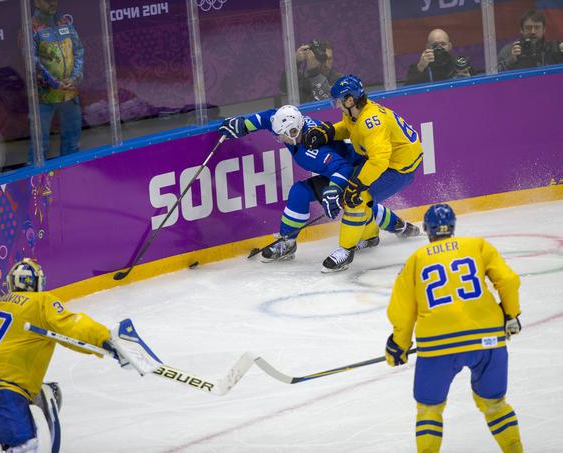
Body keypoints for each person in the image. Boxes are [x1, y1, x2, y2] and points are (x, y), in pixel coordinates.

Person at [0, 258, 161, 452]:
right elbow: (72, 326)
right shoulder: (41, 302)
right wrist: (106, 339)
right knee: (28, 447)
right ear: (38, 282)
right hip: (4, 389)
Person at [385, 204, 523, 453]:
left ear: (427, 229)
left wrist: (399, 344)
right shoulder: (477, 246)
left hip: (438, 345)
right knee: (494, 404)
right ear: (453, 226)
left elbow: (402, 310)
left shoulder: (416, 260)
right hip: (487, 338)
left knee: (429, 409)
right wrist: (511, 315)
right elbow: (509, 281)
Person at [218, 105, 415, 264]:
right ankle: (288, 242)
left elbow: (344, 169)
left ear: (294, 132)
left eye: (281, 136)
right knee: (300, 192)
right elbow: (270, 117)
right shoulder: (291, 125)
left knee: (354, 201)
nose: (278, 139)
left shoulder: (311, 151)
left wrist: (333, 191)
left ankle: (392, 228)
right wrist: (244, 125)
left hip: (353, 169)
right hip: (340, 167)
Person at [303, 74, 422, 272]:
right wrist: (329, 133)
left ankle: (345, 251)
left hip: (399, 169)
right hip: (385, 162)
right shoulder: (356, 112)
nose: (336, 106)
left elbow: (378, 160)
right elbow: (351, 128)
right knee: (359, 196)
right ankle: (374, 235)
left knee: (356, 198)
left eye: (338, 101)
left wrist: (357, 185)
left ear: (350, 100)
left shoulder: (371, 122)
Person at [32, 0, 85, 156]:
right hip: (45, 98)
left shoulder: (64, 22)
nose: (52, 3)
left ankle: (72, 177)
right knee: (39, 149)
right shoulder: (31, 28)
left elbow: (79, 50)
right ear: (36, 2)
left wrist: (74, 78)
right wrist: (54, 83)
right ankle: (37, 180)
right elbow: (32, 61)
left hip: (70, 95)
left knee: (73, 144)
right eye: (47, 1)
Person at [497, 10, 563, 72]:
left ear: (544, 29)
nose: (533, 32)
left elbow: (559, 81)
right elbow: (494, 78)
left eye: (537, 27)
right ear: (521, 30)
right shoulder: (509, 50)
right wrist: (511, 60)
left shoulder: (552, 50)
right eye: (528, 28)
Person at [406, 29, 475, 86]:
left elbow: (477, 88)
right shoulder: (419, 67)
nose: (439, 48)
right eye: (435, 45)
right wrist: (420, 67)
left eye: (443, 44)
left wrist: (468, 81)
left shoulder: (459, 64)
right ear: (427, 47)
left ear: (449, 46)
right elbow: (408, 92)